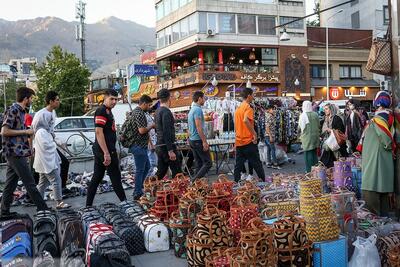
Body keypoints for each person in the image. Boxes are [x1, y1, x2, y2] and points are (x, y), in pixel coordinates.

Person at [0, 87, 49, 217]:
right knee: (30, 182)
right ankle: (43, 209)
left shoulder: (21, 111)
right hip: (14, 152)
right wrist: (26, 131)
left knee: (10, 184)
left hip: (17, 152)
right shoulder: (13, 110)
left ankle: (4, 212)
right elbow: (4, 131)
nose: (31, 101)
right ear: (25, 98)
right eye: (31, 98)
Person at [86, 89, 127, 206]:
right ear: (105, 98)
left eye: (116, 99)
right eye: (111, 99)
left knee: (97, 178)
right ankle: (125, 203)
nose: (114, 101)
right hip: (105, 151)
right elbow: (99, 132)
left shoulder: (108, 111)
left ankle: (88, 205)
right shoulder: (101, 111)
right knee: (115, 178)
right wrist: (106, 153)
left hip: (103, 150)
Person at [32, 93, 70, 209]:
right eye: (57, 100)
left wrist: (54, 139)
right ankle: (59, 202)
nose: (59, 102)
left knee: (43, 181)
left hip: (48, 153)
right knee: (56, 179)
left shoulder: (52, 114)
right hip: (46, 155)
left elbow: (51, 132)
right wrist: (53, 142)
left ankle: (38, 202)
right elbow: (44, 143)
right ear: (51, 101)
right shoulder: (41, 126)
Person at [361, 91, 395, 216]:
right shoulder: (389, 118)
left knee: (373, 211)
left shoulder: (378, 120)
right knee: (384, 205)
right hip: (383, 168)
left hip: (373, 169)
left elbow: (386, 140)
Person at [233, 88, 265, 182]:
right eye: (253, 95)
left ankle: (235, 183)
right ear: (248, 96)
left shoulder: (238, 109)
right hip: (248, 141)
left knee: (238, 165)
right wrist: (254, 134)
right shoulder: (248, 108)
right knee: (257, 163)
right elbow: (246, 120)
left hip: (239, 141)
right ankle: (263, 182)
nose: (253, 97)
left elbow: (238, 124)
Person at [129, 95, 154, 200]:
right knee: (140, 169)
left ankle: (139, 188)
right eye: (149, 105)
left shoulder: (137, 112)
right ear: (143, 103)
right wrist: (152, 126)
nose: (149, 107)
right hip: (138, 145)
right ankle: (137, 192)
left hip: (140, 145)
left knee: (147, 167)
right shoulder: (139, 113)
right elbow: (142, 130)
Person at [155, 89, 182, 179]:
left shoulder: (157, 111)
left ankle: (150, 187)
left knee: (161, 172)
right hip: (167, 146)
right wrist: (170, 150)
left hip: (160, 144)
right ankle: (178, 191)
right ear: (169, 98)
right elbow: (166, 131)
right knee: (177, 171)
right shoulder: (166, 112)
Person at [188, 91, 212, 181]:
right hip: (197, 140)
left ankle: (195, 185)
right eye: (204, 98)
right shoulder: (197, 110)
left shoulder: (192, 109)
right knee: (208, 163)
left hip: (193, 140)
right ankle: (193, 181)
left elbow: (190, 127)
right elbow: (199, 127)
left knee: (199, 163)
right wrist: (204, 141)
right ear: (199, 99)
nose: (205, 100)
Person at [320, 103, 348, 167]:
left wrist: (331, 130)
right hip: (328, 143)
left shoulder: (337, 118)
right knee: (327, 162)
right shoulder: (325, 119)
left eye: (326, 109)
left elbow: (341, 131)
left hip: (335, 144)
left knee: (336, 162)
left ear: (331, 109)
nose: (325, 110)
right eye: (324, 109)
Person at [298, 101, 320, 173]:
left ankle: (309, 170)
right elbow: (318, 125)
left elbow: (300, 127)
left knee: (308, 154)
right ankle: (316, 170)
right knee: (314, 153)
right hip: (315, 136)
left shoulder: (302, 115)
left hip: (306, 137)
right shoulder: (315, 114)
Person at [264, 105, 280, 169]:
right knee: (273, 149)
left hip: (267, 135)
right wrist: (270, 136)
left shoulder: (267, 115)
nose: (274, 110)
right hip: (269, 135)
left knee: (269, 149)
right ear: (270, 109)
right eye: (273, 109)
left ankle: (269, 163)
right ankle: (275, 164)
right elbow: (267, 127)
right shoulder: (270, 116)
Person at [146, 109, 158, 177]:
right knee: (152, 163)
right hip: (150, 143)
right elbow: (146, 133)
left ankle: (147, 179)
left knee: (153, 162)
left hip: (152, 142)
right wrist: (151, 144)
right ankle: (147, 179)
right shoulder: (146, 117)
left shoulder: (149, 117)